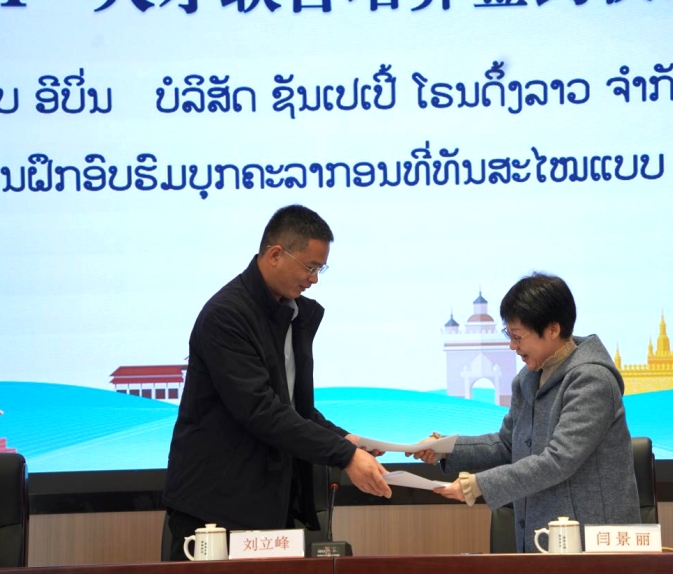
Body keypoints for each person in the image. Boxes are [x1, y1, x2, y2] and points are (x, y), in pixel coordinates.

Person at [162, 204, 391, 561]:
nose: (314, 279)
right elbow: (260, 409)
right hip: (215, 510)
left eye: (320, 269)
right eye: (310, 267)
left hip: (266, 505)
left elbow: (291, 407)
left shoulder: (290, 313)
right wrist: (344, 455)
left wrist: (344, 439)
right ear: (275, 255)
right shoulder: (227, 315)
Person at [409, 273, 639, 552]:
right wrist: (445, 448)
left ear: (552, 329)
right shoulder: (528, 379)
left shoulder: (591, 380)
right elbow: (508, 444)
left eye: (518, 336)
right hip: (543, 538)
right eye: (509, 335)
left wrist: (478, 485)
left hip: (594, 547)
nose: (512, 346)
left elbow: (559, 460)